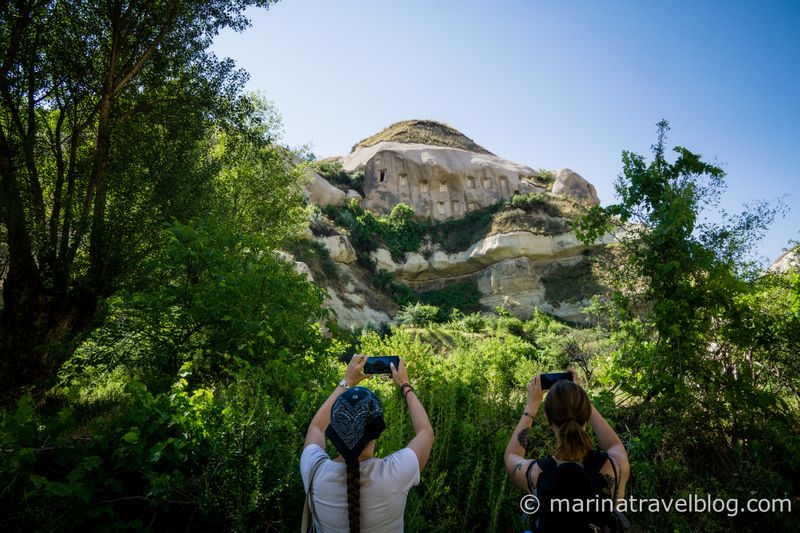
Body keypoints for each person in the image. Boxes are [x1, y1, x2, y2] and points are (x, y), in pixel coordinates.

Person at [301, 354, 434, 533]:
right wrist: (405, 385)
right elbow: (426, 432)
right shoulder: (395, 474)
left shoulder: (314, 472)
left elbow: (316, 428)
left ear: (334, 429)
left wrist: (347, 382)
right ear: (377, 430)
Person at [504, 371, 630, 532]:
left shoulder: (536, 473)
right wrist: (581, 399)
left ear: (547, 417)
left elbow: (511, 455)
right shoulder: (614, 466)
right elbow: (615, 445)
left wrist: (531, 405)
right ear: (586, 413)